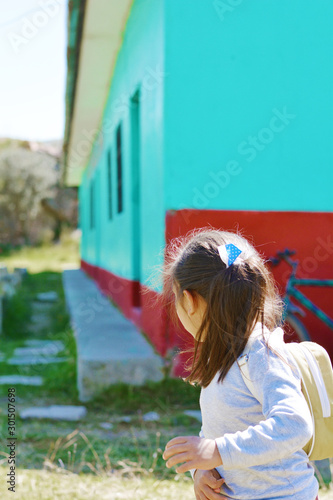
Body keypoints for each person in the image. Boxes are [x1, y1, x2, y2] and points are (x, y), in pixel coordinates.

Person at [162, 229, 319, 500]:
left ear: (188, 300)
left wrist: (217, 451)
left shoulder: (260, 353)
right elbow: (217, 429)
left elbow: (294, 424)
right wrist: (203, 469)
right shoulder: (223, 353)